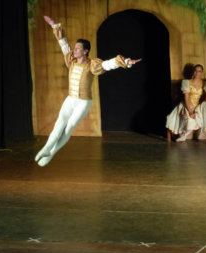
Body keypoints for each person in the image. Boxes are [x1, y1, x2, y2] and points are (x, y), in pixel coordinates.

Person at [35, 16, 142, 166]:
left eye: (78, 48)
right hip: (70, 99)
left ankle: (51, 153)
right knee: (59, 125)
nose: (75, 49)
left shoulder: (92, 65)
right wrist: (54, 26)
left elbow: (107, 64)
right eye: (75, 47)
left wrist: (125, 62)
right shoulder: (71, 61)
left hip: (83, 102)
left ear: (85, 51)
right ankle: (46, 149)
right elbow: (63, 44)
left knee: (69, 127)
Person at [166, 64, 204, 142]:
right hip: (188, 104)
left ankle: (184, 135)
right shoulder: (186, 82)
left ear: (202, 72)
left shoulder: (204, 83)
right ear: (193, 72)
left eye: (199, 71)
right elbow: (186, 97)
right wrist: (190, 111)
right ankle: (181, 134)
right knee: (190, 119)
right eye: (195, 70)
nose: (197, 73)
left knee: (200, 120)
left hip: (197, 105)